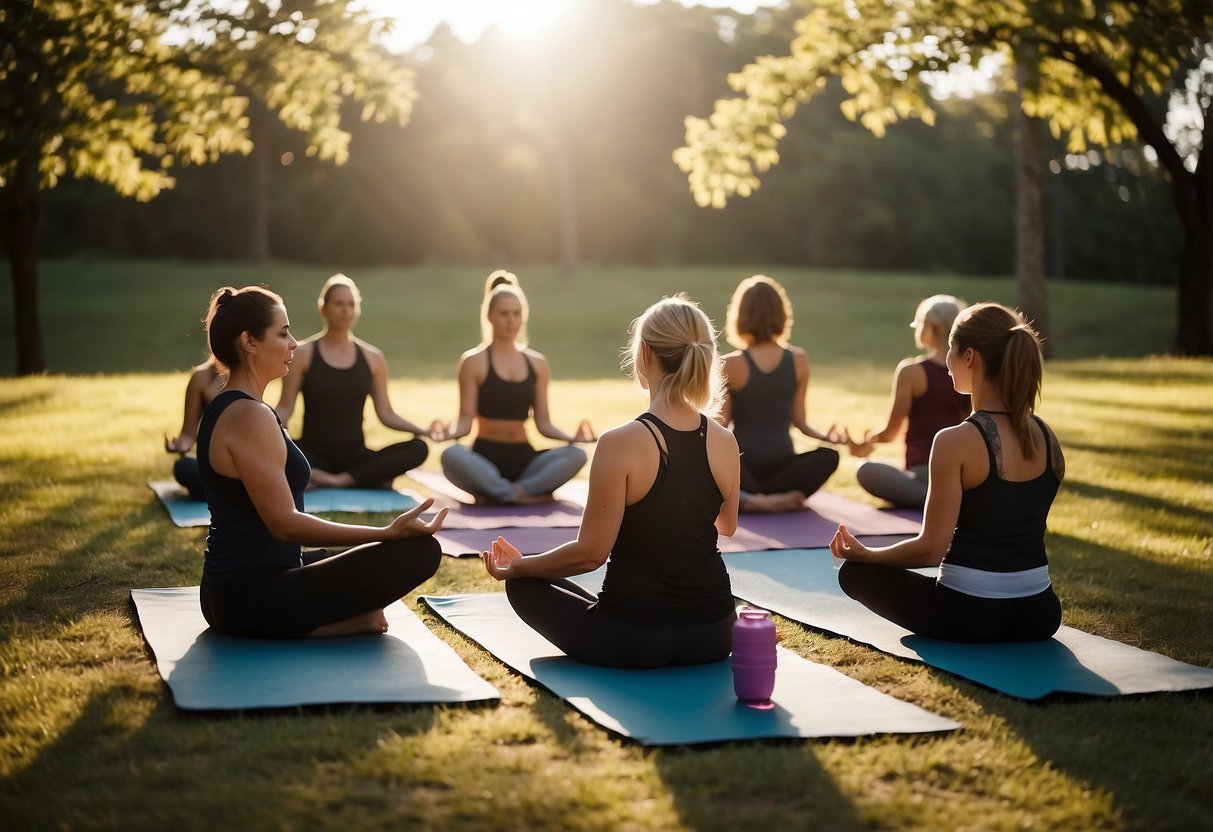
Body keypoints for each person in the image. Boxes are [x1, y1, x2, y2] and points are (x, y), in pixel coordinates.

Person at [480, 295, 741, 668]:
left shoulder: (620, 442)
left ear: (645, 355)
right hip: (715, 634)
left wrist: (521, 566)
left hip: (632, 639)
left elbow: (591, 553)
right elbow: (726, 526)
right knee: (544, 575)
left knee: (524, 584)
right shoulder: (725, 440)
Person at [197, 285, 447, 638]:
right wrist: (386, 532)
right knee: (418, 552)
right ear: (249, 342)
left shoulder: (240, 406)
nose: (294, 343)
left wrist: (378, 539)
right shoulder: (248, 415)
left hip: (245, 584)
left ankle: (333, 616)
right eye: (283, 334)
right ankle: (338, 624)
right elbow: (285, 524)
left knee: (383, 550)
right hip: (248, 597)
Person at [829, 302, 1065, 643]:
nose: (948, 364)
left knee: (855, 573)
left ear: (969, 357)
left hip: (966, 614)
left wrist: (867, 554)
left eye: (952, 352)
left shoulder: (954, 441)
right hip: (1039, 613)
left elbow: (930, 550)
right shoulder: (1047, 437)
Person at [432, 271, 593, 504]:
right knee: (451, 455)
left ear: (523, 317)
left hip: (525, 460)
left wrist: (572, 438)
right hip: (483, 459)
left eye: (516, 314)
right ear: (489, 316)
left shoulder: (537, 363)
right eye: (504, 314)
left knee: (576, 455)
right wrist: (448, 433)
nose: (511, 321)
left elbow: (544, 423)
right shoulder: (473, 362)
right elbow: (465, 422)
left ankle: (504, 493)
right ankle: (522, 495)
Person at [276, 274, 431, 489]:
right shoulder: (302, 354)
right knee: (279, 448)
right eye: (339, 304)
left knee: (418, 448)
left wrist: (424, 430)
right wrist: (266, 425)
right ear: (324, 308)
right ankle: (363, 479)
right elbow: (285, 408)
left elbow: (386, 413)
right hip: (312, 453)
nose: (345, 310)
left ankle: (336, 480)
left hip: (354, 456)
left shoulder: (373, 358)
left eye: (351, 304)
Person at [720, 275, 841, 512]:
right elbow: (800, 422)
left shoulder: (729, 364)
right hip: (783, 469)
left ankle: (753, 498)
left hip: (744, 469)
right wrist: (828, 439)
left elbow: (721, 425)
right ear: (781, 315)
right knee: (830, 456)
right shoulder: (799, 359)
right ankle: (779, 497)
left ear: (741, 316)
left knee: (715, 460)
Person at [847, 294, 971, 509]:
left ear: (935, 327)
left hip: (924, 472)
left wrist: (867, 444)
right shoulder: (971, 368)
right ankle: (954, 500)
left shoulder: (912, 371)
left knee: (865, 470)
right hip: (966, 475)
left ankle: (939, 501)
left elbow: (890, 432)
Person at [164, 356, 226, 499]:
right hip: (217, 464)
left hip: (252, 461)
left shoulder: (256, 370)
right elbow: (188, 434)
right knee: (184, 468)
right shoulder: (201, 377)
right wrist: (179, 444)